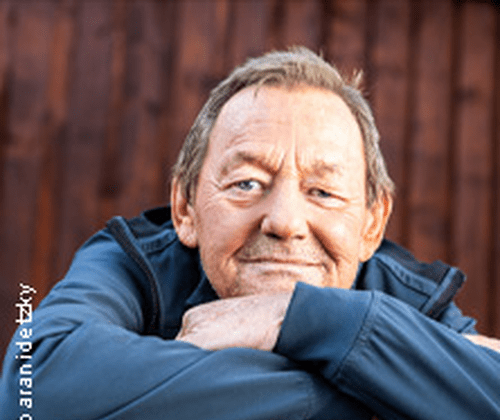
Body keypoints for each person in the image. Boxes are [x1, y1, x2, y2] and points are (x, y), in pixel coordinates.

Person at [1, 47, 499, 420]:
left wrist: (296, 317)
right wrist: (384, 386)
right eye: (247, 184)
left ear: (372, 223)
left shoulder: (410, 298)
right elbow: (29, 388)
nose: (284, 222)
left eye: (323, 192)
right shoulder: (136, 264)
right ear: (184, 207)